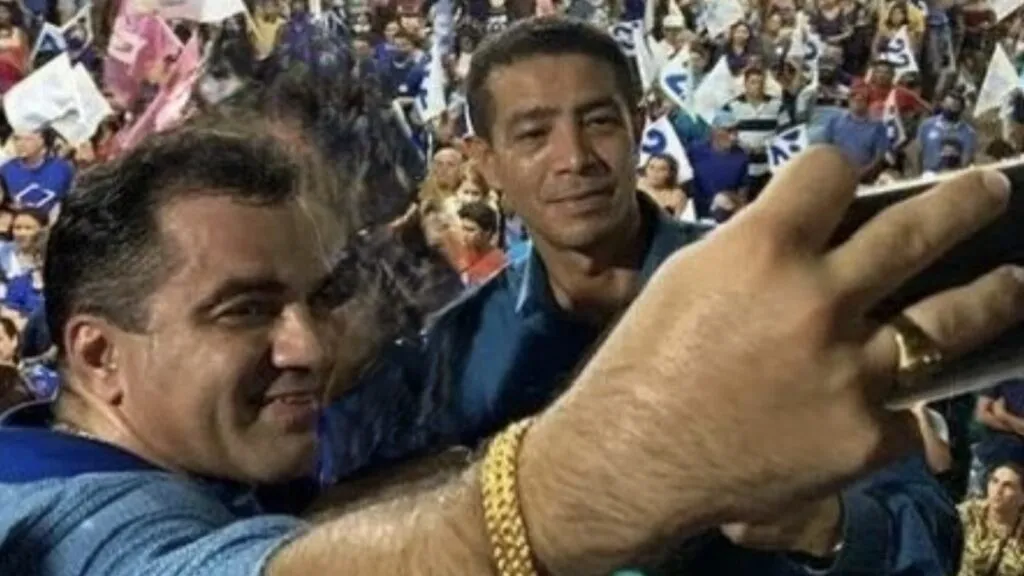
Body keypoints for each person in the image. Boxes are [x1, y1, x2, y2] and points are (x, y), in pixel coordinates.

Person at [0, 86, 1020, 576]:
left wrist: (824, 527)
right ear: (97, 353)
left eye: (319, 298)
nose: (308, 346)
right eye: (245, 310)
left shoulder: (264, 438)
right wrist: (627, 461)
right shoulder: (50, 522)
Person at [319, 19, 978, 575]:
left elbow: (930, 528)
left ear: (638, 126)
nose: (574, 157)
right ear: (484, 160)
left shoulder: (773, 291)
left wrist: (824, 526)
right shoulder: (454, 351)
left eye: (598, 121)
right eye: (533, 134)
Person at [958, 462, 1024, 576]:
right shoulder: (967, 513)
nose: (998, 490)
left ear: (1022, 497)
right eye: (994, 481)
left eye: (1008, 486)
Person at [822, 85, 889, 182]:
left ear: (868, 102)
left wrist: (860, 174)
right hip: (835, 176)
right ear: (849, 100)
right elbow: (824, 148)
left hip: (864, 181)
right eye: (854, 96)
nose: (858, 98)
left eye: (862, 98)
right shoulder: (834, 121)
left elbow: (879, 158)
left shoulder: (878, 127)